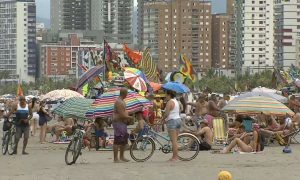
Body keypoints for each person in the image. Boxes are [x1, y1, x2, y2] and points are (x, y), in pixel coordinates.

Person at [112, 88, 133, 163]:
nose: (127, 95)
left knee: (123, 140)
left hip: (122, 122)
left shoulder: (122, 101)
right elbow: (122, 114)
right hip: (118, 122)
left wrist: (128, 114)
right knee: (117, 140)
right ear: (124, 93)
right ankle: (116, 158)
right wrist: (129, 117)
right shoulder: (119, 102)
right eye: (127, 93)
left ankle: (121, 157)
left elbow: (124, 112)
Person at [162, 90, 181, 162]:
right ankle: (175, 156)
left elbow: (167, 113)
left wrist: (163, 119)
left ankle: (175, 157)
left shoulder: (169, 102)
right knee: (175, 140)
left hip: (172, 121)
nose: (165, 96)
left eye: (166, 95)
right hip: (178, 120)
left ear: (169, 95)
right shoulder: (176, 101)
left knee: (174, 141)